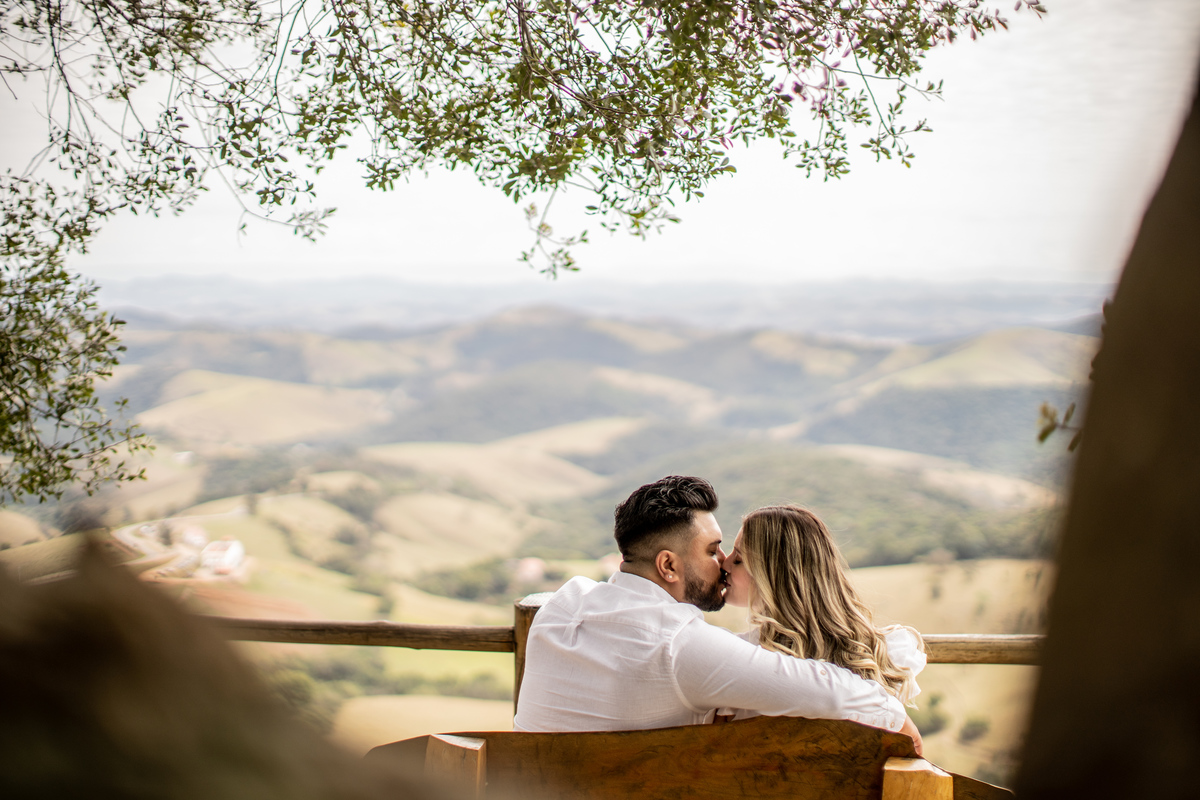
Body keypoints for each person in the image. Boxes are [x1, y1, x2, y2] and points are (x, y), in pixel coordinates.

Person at [514, 476, 919, 748]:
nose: (723, 561)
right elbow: (845, 697)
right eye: (712, 551)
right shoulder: (680, 646)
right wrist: (904, 731)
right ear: (668, 566)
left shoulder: (563, 605)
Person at [719, 504, 926, 726]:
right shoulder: (878, 652)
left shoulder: (740, 658)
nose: (724, 564)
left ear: (775, 576)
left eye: (739, 559)